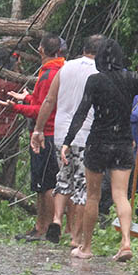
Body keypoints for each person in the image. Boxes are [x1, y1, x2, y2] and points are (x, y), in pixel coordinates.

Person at [60, 38, 138, 262]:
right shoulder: (132, 79)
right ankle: (126, 243)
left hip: (98, 142)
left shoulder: (95, 81)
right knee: (121, 194)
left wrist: (67, 141)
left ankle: (86, 247)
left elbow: (81, 113)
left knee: (93, 197)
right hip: (123, 143)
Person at [31, 35, 104, 246]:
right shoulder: (99, 72)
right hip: (85, 134)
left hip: (61, 133)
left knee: (63, 178)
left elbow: (49, 100)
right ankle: (75, 236)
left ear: (84, 48)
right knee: (82, 186)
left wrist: (38, 129)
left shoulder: (65, 68)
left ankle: (56, 219)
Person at [0, 34, 65, 240]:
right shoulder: (56, 70)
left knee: (46, 185)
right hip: (48, 132)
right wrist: (25, 97)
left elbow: (41, 109)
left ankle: (45, 227)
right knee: (41, 184)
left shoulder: (49, 74)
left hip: (46, 133)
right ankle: (40, 226)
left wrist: (15, 107)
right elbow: (39, 100)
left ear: (41, 50)